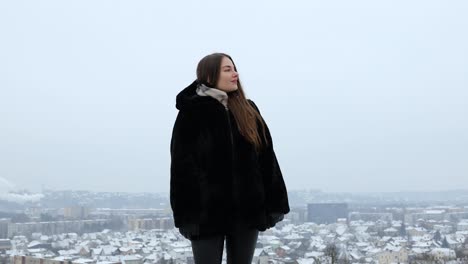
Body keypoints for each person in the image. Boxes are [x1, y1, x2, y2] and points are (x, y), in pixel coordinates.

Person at [170, 52, 290, 264]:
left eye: (234, 69)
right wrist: (186, 216)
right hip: (206, 213)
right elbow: (181, 168)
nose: (235, 74)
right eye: (228, 69)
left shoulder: (248, 110)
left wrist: (274, 204)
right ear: (209, 75)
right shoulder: (192, 113)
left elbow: (267, 159)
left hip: (247, 210)